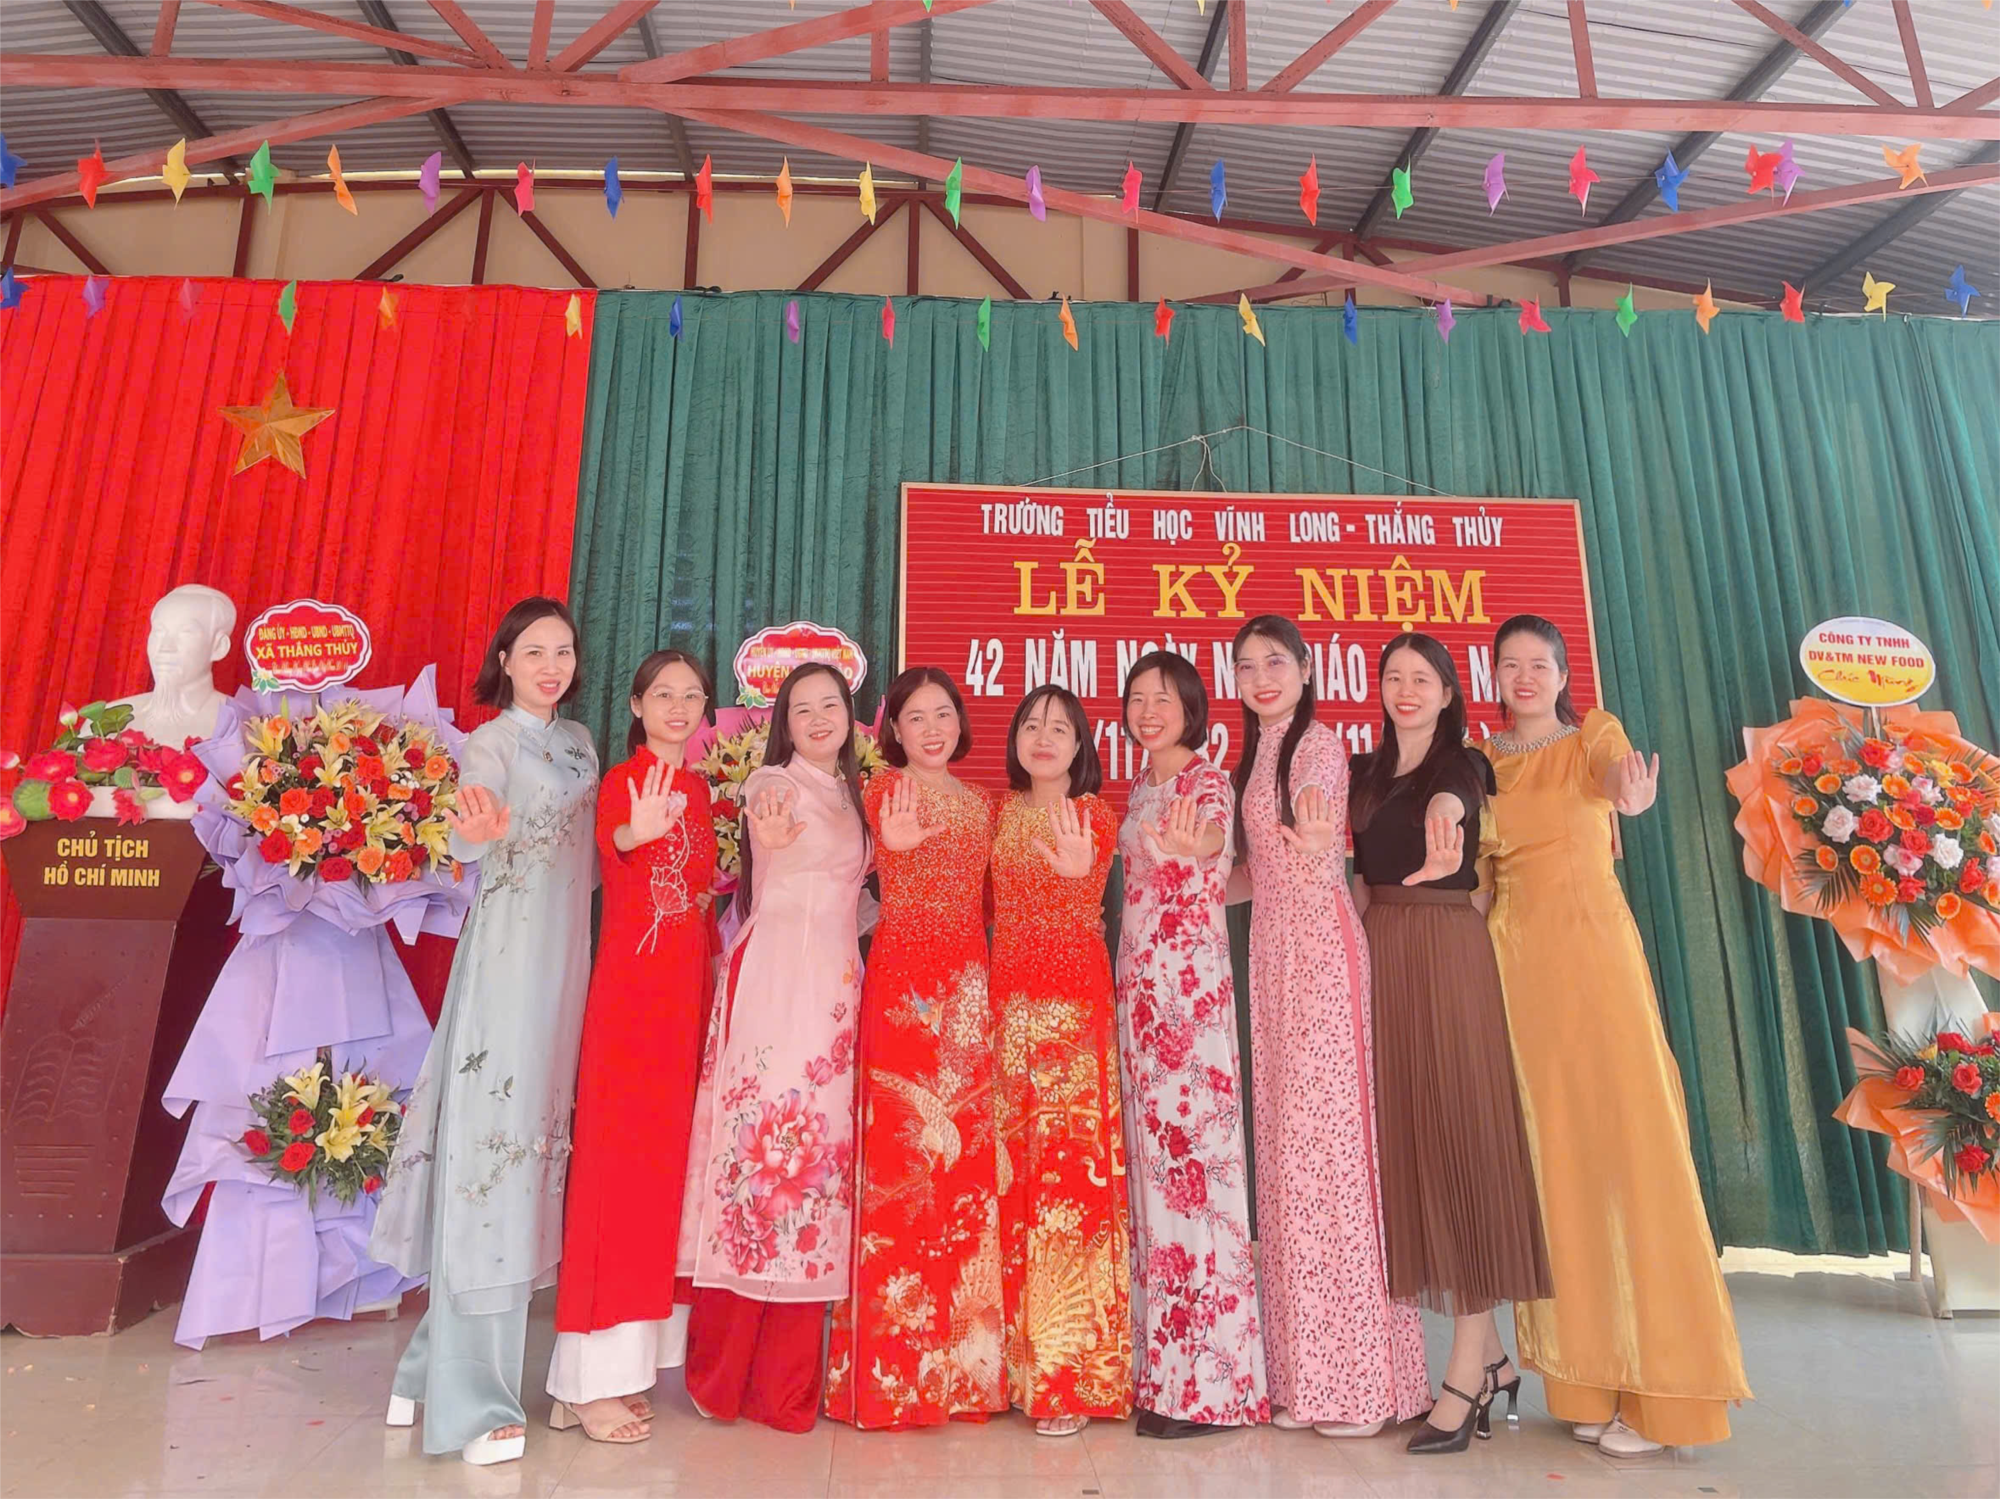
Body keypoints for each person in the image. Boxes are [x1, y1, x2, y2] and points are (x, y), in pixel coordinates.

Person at [1477, 615, 1749, 1457]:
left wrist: (1632, 794)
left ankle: (1666, 1395)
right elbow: (1479, 888)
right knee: (1556, 1169)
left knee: (1634, 1155)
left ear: (1563, 674)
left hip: (1597, 964)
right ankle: (1588, 1382)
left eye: (1539, 663)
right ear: (1493, 674)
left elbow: (1617, 778)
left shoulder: (1592, 736)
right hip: (1517, 979)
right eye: (1510, 664)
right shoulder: (1482, 761)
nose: (1525, 676)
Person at [371, 597, 598, 1467]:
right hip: (506, 967)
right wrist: (476, 833)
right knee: (491, 1165)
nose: (551, 665)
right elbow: (470, 830)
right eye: (534, 650)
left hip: (565, 969)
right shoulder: (491, 744)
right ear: (504, 659)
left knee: (527, 1161)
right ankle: (476, 1405)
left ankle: (423, 1368)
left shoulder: (578, 744)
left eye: (563, 651)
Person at [1347, 634, 1552, 1455]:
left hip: (1444, 953)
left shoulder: (1463, 765)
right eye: (1393, 677)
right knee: (1413, 1146)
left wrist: (1443, 817)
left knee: (1459, 1140)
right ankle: (1495, 1357)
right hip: (1381, 952)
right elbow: (1354, 874)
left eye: (1422, 678)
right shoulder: (1362, 773)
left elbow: (1453, 805)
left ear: (1446, 692)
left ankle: (1465, 1372)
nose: (1406, 689)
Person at [1226, 615, 1429, 1438]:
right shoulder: (1257, 753)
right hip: (1274, 954)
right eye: (1246, 665)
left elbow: (1314, 840)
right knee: (1286, 1161)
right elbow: (1257, 870)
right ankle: (1303, 1377)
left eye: (1276, 661)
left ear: (1307, 669)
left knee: (1330, 1161)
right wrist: (1178, 883)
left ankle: (1359, 1384)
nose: (1261, 676)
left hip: (1318, 954)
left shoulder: (1317, 746)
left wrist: (1318, 840)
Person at [675, 662, 870, 1433]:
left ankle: (785, 1384)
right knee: (759, 1166)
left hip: (836, 996)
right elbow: (770, 823)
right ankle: (720, 1373)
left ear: (850, 716)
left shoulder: (856, 794)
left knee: (815, 1175)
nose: (819, 718)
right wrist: (773, 826)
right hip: (776, 987)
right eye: (802, 709)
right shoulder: (773, 785)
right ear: (783, 724)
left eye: (831, 705)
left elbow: (851, 898)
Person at [825, 667, 1006, 1429]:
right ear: (893, 730)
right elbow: (855, 874)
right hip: (902, 989)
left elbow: (996, 903)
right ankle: (892, 1371)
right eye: (915, 717)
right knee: (900, 1166)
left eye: (943, 714)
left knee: (962, 1170)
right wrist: (887, 850)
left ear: (960, 722)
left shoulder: (986, 805)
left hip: (967, 993)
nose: (932, 728)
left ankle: (966, 1371)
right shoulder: (880, 794)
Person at [546, 650, 719, 1444]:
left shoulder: (701, 791)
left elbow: (698, 902)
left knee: (660, 1183)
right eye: (664, 694)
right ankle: (588, 1383)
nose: (678, 707)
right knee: (614, 1178)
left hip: (684, 1005)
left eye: (692, 695)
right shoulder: (624, 780)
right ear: (637, 705)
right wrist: (631, 831)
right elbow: (613, 850)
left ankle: (608, 1375)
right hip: (631, 1007)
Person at [1113, 651, 1265, 1438]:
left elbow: (1209, 839)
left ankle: (1213, 1388)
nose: (1148, 711)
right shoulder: (1140, 785)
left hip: (1189, 1006)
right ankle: (1163, 1374)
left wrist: (1196, 844)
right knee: (1155, 1182)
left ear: (1192, 707)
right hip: (1140, 1001)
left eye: (1163, 699)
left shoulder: (1207, 782)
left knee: (1194, 1180)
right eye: (1137, 698)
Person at [990, 685, 1129, 1437]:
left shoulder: (1093, 816)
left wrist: (1080, 876)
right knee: (1013, 1184)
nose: (1043, 738)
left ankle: (1071, 1378)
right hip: (1006, 1015)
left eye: (1060, 728)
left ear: (1080, 747)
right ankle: (1016, 1367)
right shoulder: (999, 813)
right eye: (1031, 725)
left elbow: (1086, 891)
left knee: (1070, 1188)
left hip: (1073, 1016)